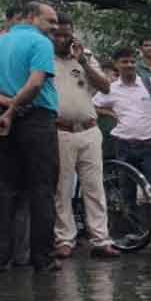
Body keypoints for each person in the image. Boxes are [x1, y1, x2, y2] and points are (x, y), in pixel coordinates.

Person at [0, 1, 62, 272]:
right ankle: (43, 260)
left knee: (6, 190)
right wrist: (15, 108)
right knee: (42, 190)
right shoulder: (41, 43)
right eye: (51, 21)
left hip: (5, 121)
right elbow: (36, 83)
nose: (54, 28)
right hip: (36, 119)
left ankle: (0, 259)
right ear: (33, 17)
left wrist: (7, 106)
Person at [50, 13, 118, 259]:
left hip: (89, 129)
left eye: (66, 34)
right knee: (62, 187)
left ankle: (101, 239)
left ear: (72, 34)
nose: (62, 39)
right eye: (57, 34)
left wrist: (84, 62)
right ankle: (64, 239)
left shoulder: (85, 56)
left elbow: (106, 86)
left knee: (94, 186)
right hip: (61, 131)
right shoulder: (44, 58)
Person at [93, 48, 151, 195]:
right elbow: (93, 105)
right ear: (116, 65)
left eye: (132, 61)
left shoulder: (150, 83)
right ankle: (129, 218)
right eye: (125, 62)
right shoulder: (111, 88)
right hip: (124, 146)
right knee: (126, 190)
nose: (129, 65)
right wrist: (110, 113)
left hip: (150, 146)